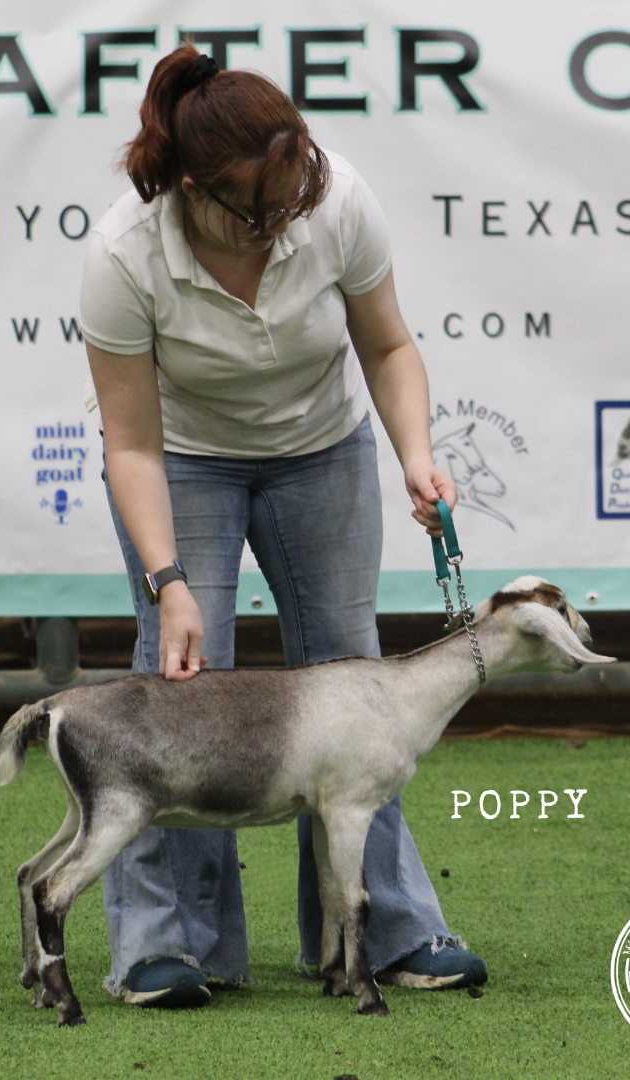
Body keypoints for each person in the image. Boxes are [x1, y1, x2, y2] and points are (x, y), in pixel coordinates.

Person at [79, 43, 487, 1009]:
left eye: (291, 201)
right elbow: (130, 444)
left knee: (359, 679)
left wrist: (416, 451)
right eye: (256, 213)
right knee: (180, 691)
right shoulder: (122, 254)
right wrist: (168, 583)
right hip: (181, 460)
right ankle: (163, 947)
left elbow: (386, 344)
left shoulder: (337, 197)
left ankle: (386, 930)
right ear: (190, 187)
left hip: (323, 450)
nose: (278, 226)